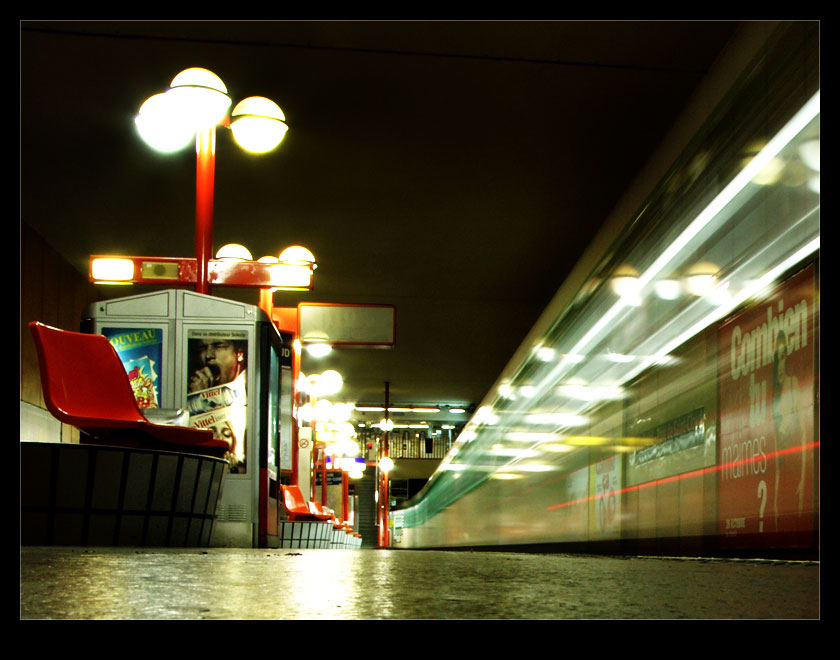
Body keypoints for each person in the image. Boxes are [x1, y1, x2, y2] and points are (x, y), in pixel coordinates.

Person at [771, 329, 806, 532]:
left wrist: (802, 477)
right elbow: (777, 446)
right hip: (782, 468)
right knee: (777, 512)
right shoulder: (775, 394)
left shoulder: (793, 385)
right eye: (777, 358)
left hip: (794, 463)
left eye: (783, 357)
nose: (780, 364)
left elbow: (802, 433)